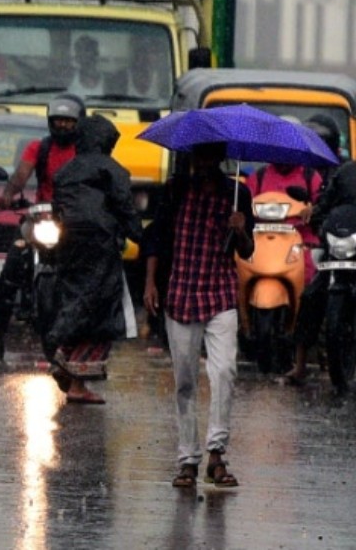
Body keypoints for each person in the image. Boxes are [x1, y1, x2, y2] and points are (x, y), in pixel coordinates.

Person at [142, 142, 254, 489]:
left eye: (210, 156)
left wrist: (240, 228)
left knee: (224, 371)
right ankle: (188, 460)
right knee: (185, 381)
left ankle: (216, 454)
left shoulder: (238, 194)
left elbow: (248, 251)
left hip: (220, 292)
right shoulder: (175, 190)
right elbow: (157, 239)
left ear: (219, 159)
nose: (204, 163)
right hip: (180, 292)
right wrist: (150, 283)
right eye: (199, 156)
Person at [48, 115, 141, 403]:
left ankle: (63, 355)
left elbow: (57, 211)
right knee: (102, 315)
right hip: (102, 250)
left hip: (68, 248)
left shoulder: (64, 172)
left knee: (76, 304)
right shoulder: (114, 171)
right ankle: (77, 381)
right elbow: (125, 210)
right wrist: (142, 237)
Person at [0, 94, 85, 364]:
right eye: (58, 120)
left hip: (73, 221)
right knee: (10, 271)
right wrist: (8, 195)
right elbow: (21, 175)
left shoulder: (85, 152)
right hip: (40, 218)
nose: (62, 125)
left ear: (79, 123)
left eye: (68, 121)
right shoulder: (39, 148)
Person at [281, 116, 344, 384]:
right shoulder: (309, 174)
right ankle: (301, 364)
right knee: (311, 296)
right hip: (326, 245)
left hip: (349, 241)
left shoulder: (347, 172)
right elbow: (321, 204)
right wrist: (313, 212)